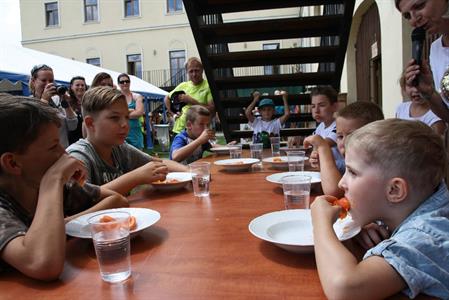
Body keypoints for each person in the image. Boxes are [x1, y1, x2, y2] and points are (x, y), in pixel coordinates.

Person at [311, 119, 449, 299]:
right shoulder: (413, 204)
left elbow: (345, 287)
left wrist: (320, 223)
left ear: (394, 190)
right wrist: (366, 224)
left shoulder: (425, 236)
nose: (341, 183)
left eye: (352, 172)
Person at [0, 95, 128, 281]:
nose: (64, 154)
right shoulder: (49, 185)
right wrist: (52, 180)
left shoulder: (62, 188)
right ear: (13, 163)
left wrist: (64, 225)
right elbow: (43, 264)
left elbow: (117, 201)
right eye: (53, 147)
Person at [67, 86, 189, 195]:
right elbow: (82, 198)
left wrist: (191, 173)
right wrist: (135, 177)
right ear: (90, 123)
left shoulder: (120, 149)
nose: (125, 124)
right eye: (114, 118)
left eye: (127, 117)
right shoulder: (78, 157)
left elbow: (158, 163)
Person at [304, 101, 384, 197]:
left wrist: (323, 147)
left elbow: (335, 192)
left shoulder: (372, 165)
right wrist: (322, 163)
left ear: (374, 136)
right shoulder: (345, 162)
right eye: (340, 137)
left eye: (352, 136)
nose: (344, 143)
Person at [396, 0, 449, 122]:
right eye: (407, 16)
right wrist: (429, 93)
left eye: (419, 6)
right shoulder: (436, 49)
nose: (414, 19)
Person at [29, 64, 78, 148]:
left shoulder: (56, 100)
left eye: (51, 80)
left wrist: (65, 103)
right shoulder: (28, 103)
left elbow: (73, 126)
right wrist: (44, 100)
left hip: (62, 150)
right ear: (34, 81)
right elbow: (35, 129)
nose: (48, 84)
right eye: (44, 80)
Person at [164, 57, 214, 134]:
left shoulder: (208, 86)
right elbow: (166, 98)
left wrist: (192, 101)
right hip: (178, 130)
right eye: (191, 71)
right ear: (187, 72)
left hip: (198, 133)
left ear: (202, 70)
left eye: (197, 70)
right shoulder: (183, 85)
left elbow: (211, 109)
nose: (194, 74)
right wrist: (173, 114)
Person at [117, 73, 145, 150]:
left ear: (130, 82)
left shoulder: (137, 96)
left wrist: (121, 115)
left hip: (135, 134)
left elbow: (139, 113)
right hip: (121, 133)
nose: (125, 83)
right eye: (122, 82)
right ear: (118, 84)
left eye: (127, 81)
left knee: (139, 160)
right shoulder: (116, 98)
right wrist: (130, 110)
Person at [67, 76, 87, 145]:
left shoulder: (88, 102)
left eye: (82, 85)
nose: (80, 87)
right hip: (71, 141)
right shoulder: (67, 103)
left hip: (86, 141)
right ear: (71, 87)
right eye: (77, 85)